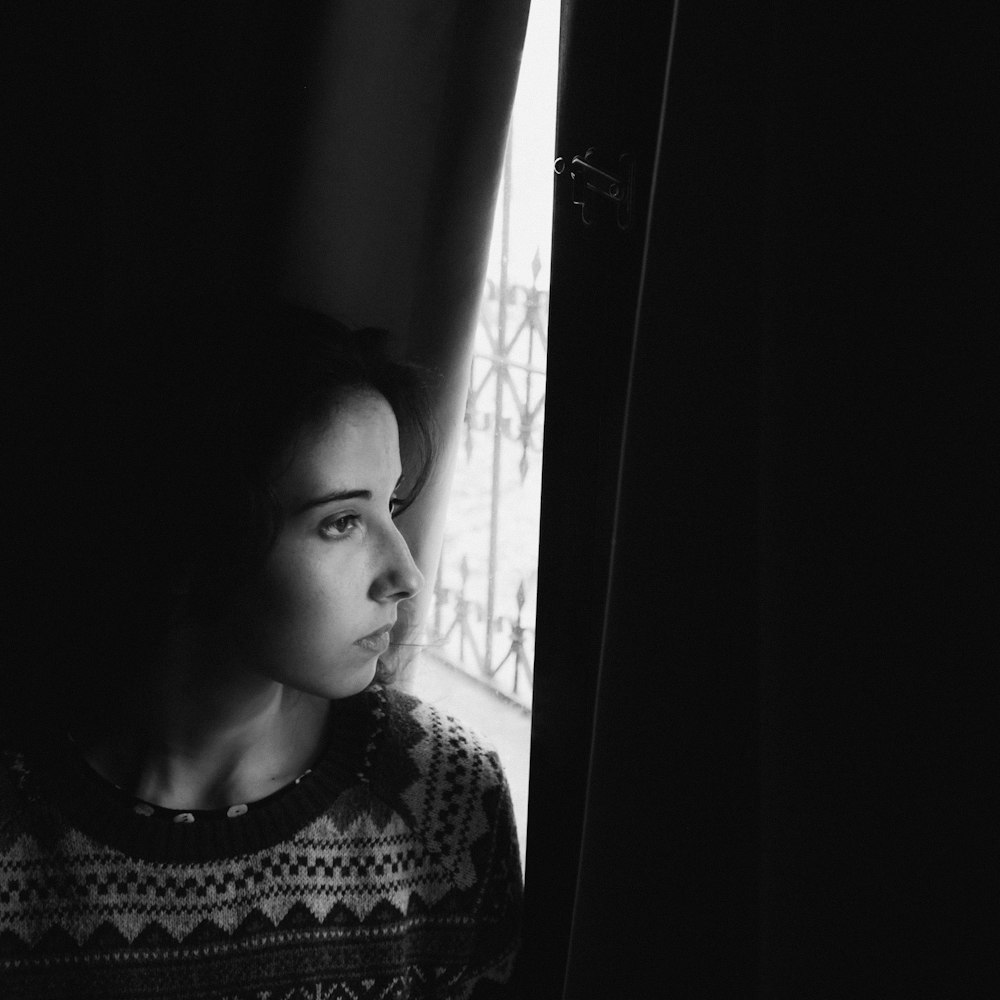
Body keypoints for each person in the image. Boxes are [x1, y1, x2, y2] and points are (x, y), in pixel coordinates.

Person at [0, 298, 522, 998]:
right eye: (340, 522)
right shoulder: (20, 832)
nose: (404, 575)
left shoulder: (444, 799)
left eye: (390, 508)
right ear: (191, 535)